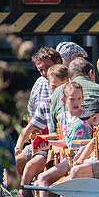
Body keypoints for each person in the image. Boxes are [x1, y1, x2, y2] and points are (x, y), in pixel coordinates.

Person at [32, 81, 91, 197]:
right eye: (72, 99)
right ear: (64, 100)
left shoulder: (88, 116)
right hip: (69, 158)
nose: (76, 103)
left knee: (43, 178)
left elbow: (93, 140)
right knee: (41, 178)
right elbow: (66, 141)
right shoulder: (62, 117)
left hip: (82, 156)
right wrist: (49, 143)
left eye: (79, 99)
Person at [14, 46, 62, 180]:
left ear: (58, 62)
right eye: (41, 70)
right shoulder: (40, 84)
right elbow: (32, 116)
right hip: (41, 139)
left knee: (31, 166)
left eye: (48, 67)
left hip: (55, 143)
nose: (45, 73)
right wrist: (19, 145)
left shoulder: (69, 90)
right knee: (14, 163)